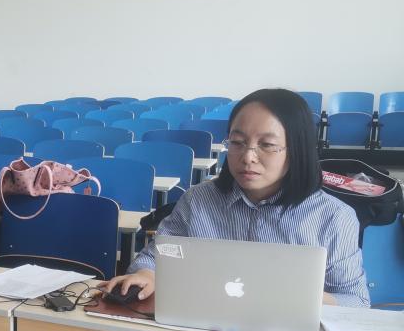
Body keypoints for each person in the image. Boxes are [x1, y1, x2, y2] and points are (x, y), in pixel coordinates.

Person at [102, 88, 369, 307]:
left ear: (297, 150)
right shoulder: (198, 201)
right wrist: (147, 274)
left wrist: (305, 298)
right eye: (237, 142)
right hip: (200, 329)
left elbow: (356, 301)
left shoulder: (334, 217)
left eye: (267, 145)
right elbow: (155, 256)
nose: (248, 157)